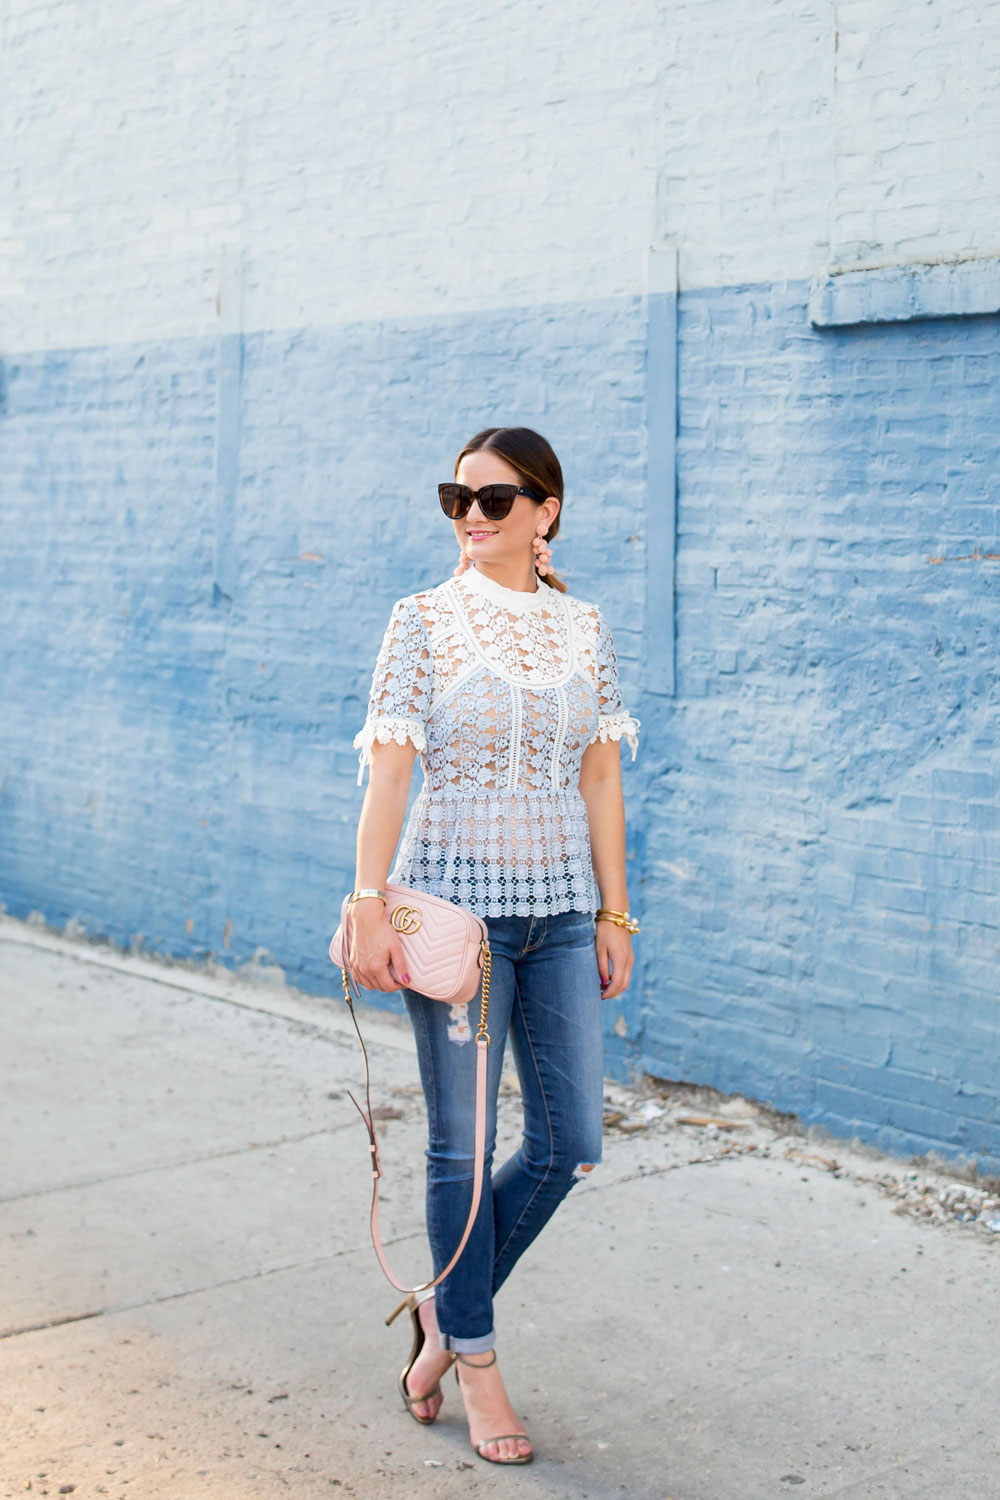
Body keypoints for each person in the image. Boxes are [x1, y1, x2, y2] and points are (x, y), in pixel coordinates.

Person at [347, 425, 640, 1466]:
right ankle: (474, 1359)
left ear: (546, 510)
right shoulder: (421, 621)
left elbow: (600, 776)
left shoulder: (585, 629)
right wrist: (368, 898)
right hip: (454, 917)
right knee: (460, 1152)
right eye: (456, 498)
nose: (472, 516)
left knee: (570, 1146)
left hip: (560, 913)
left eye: (496, 498)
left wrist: (614, 911)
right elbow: (389, 766)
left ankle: (436, 1315)